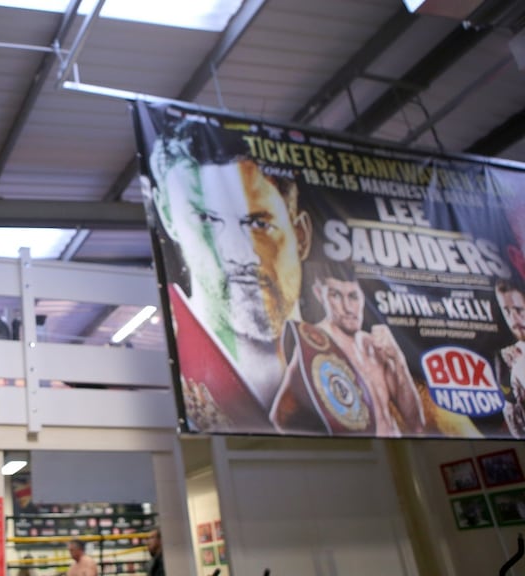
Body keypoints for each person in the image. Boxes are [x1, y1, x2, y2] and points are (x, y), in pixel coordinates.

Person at [142, 119, 313, 431]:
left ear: (300, 235)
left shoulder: (350, 368)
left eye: (259, 224)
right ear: (166, 215)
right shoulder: (181, 379)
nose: (239, 254)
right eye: (207, 219)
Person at [310, 261, 424, 436]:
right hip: (359, 457)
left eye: (354, 296)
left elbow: (415, 423)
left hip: (395, 450)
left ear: (363, 296)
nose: (348, 308)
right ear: (319, 294)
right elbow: (281, 416)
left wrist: (399, 360)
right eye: (336, 296)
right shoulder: (314, 345)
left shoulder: (374, 346)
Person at [497, 279, 525, 437]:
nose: (514, 321)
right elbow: (517, 431)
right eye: (507, 312)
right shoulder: (507, 357)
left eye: (519, 310)